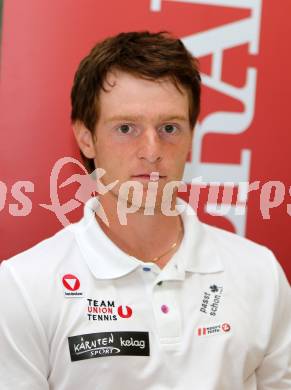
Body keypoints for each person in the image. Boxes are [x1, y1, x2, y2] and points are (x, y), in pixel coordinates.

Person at [0, 31, 290, 390]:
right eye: (126, 128)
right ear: (86, 137)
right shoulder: (24, 285)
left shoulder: (260, 272)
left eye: (170, 128)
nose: (151, 150)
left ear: (191, 137)